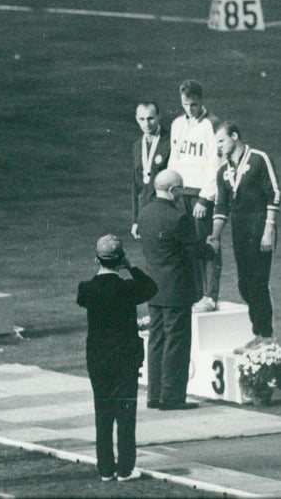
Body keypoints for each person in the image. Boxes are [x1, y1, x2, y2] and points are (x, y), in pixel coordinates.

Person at [77, 235, 157, 482]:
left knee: (102, 413)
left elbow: (88, 293)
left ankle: (105, 468)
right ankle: (125, 468)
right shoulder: (127, 288)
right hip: (125, 358)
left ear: (96, 259)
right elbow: (151, 287)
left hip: (98, 359)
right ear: (120, 259)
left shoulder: (87, 289)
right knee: (125, 415)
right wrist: (131, 266)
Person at [137, 170, 216, 410]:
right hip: (176, 289)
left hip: (154, 287)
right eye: (180, 189)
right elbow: (196, 249)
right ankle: (172, 398)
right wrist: (211, 247)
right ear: (173, 191)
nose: (182, 193)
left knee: (156, 340)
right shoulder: (178, 217)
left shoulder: (145, 212)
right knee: (176, 342)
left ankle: (155, 395)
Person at [209, 122, 281, 354]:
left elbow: (274, 193)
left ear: (235, 136)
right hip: (239, 228)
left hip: (260, 224)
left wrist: (269, 228)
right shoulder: (223, 171)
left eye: (221, 140)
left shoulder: (259, 159)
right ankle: (260, 333)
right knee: (244, 284)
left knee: (258, 282)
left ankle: (266, 336)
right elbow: (221, 206)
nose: (218, 146)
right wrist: (215, 235)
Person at [167, 80, 222, 313]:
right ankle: (195, 294)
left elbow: (216, 165)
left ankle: (210, 296)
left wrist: (205, 197)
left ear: (202, 100)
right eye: (185, 104)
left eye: (194, 104)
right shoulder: (178, 124)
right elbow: (174, 160)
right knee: (187, 245)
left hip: (200, 195)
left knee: (206, 244)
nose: (189, 109)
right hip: (181, 194)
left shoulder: (212, 125)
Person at [131, 101, 171, 240]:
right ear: (137, 119)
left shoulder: (170, 141)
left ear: (159, 116)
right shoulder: (137, 146)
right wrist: (136, 220)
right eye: (142, 119)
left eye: (150, 118)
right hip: (146, 212)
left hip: (164, 211)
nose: (146, 124)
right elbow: (136, 186)